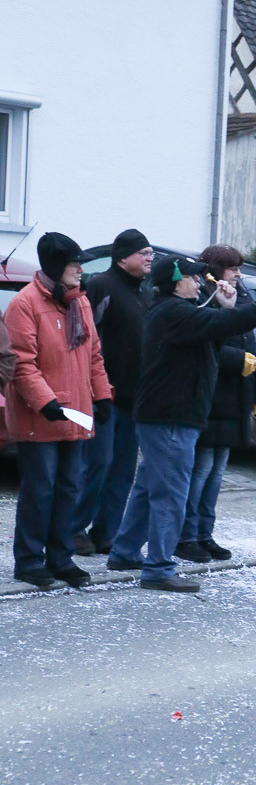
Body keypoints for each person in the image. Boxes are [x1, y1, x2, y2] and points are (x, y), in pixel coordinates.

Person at [106, 256, 256, 593]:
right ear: (175, 282)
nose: (198, 282)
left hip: (169, 416)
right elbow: (213, 326)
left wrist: (225, 308)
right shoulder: (173, 313)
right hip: (170, 418)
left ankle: (124, 552)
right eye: (193, 278)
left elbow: (215, 336)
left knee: (150, 486)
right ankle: (159, 568)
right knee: (170, 493)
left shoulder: (178, 315)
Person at [5, 233, 112, 588]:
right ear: (55, 267)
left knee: (69, 488)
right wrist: (45, 400)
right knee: (41, 489)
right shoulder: (25, 304)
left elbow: (93, 355)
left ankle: (61, 558)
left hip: (76, 412)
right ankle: (29, 560)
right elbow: (22, 362)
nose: (80, 271)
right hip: (42, 415)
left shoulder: (78, 303)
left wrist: (102, 396)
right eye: (73, 265)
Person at [176, 244, 256, 563]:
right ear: (214, 269)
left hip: (232, 398)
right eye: (232, 267)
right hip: (208, 397)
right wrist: (239, 359)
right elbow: (207, 342)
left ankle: (204, 534)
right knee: (200, 470)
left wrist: (255, 392)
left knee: (216, 472)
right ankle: (185, 535)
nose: (238, 273)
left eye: (239, 268)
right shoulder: (204, 299)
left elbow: (244, 337)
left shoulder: (239, 297)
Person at [73, 229, 153, 556]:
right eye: (143, 253)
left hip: (135, 399)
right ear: (123, 256)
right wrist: (94, 387)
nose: (150, 258)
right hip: (103, 397)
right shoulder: (101, 286)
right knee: (97, 464)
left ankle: (107, 532)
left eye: (151, 253)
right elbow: (84, 340)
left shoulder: (144, 293)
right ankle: (74, 528)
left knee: (123, 470)